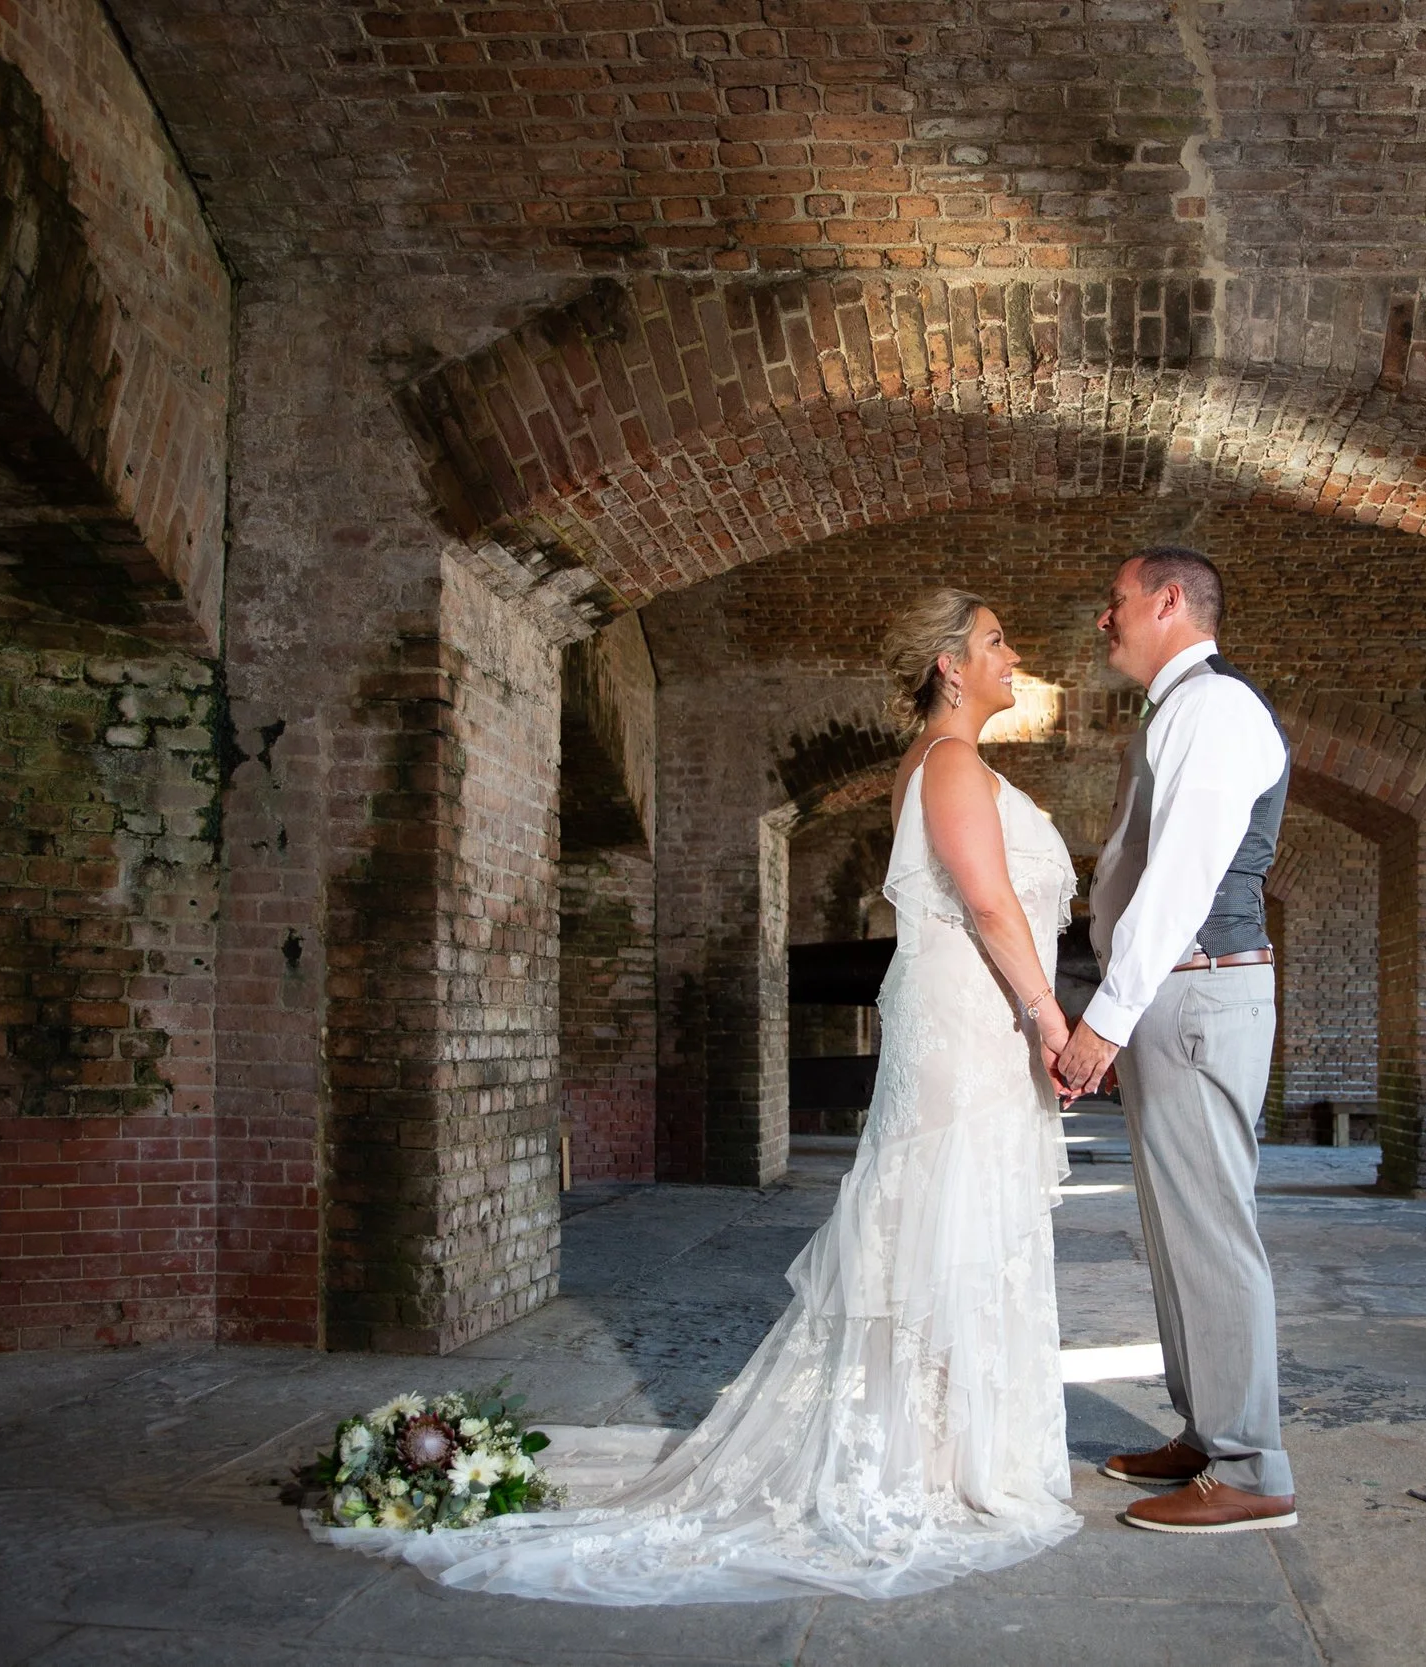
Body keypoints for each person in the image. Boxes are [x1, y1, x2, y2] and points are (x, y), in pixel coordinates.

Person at [314, 589, 1081, 1604]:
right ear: (947, 664)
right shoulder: (946, 763)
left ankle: (949, 1442)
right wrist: (1048, 1015)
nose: (1011, 651)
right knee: (943, 1215)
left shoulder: (956, 764)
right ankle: (933, 1452)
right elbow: (985, 901)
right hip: (968, 1019)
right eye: (993, 640)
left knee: (958, 1221)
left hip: (972, 1019)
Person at [1054, 546, 1297, 1534]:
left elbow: (1184, 876)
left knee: (1209, 1226)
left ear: (1167, 601)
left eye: (1114, 603)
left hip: (1195, 992)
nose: (1103, 620)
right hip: (1181, 993)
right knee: (1176, 1228)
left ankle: (1251, 1466)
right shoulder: (1183, 709)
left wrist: (1101, 1021)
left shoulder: (1215, 707)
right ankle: (1207, 1433)